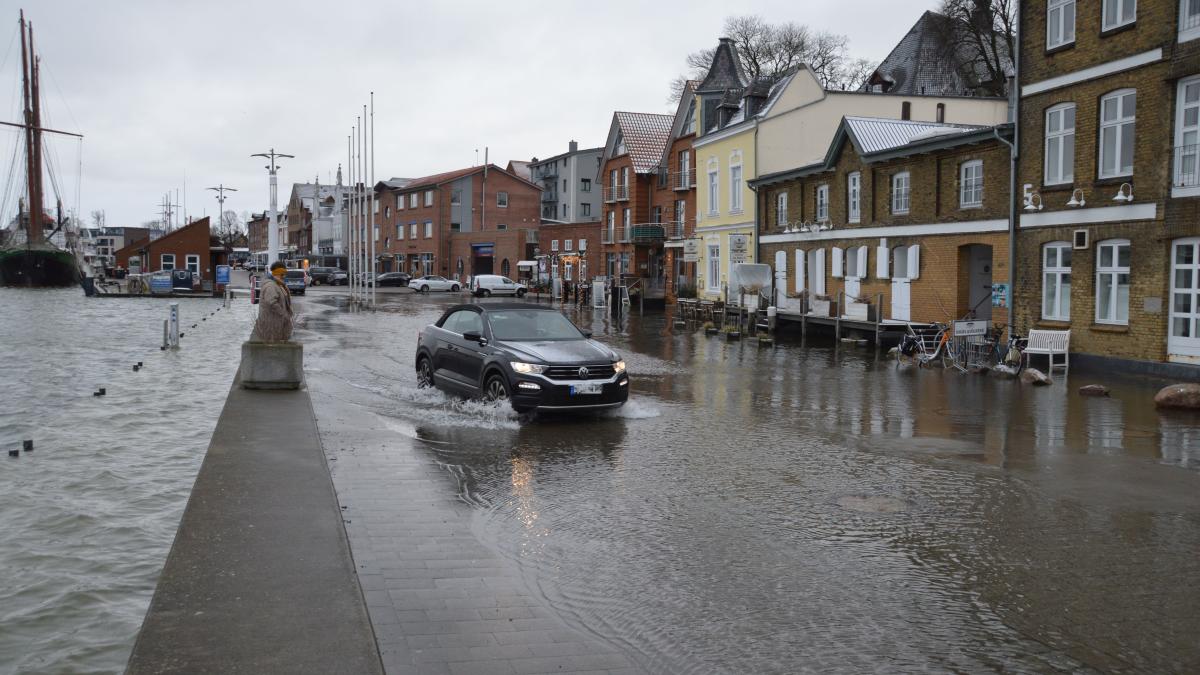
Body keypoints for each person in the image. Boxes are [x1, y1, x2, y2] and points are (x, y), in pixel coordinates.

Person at [253, 261, 294, 342]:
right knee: (272, 351)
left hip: (277, 325)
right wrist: (284, 314)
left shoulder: (279, 284)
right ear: (276, 273)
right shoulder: (271, 286)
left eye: (285, 274)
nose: (284, 276)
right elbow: (271, 302)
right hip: (272, 327)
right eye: (282, 274)